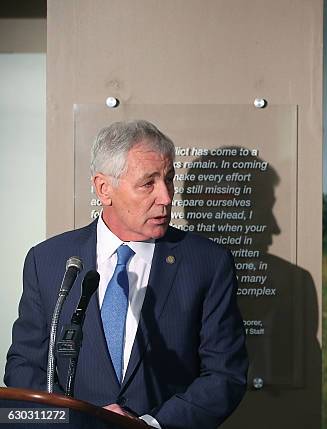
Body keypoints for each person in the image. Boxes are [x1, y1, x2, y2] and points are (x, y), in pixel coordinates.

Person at [5, 120, 248, 429]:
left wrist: (150, 425)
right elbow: (24, 366)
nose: (166, 196)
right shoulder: (48, 260)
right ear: (104, 189)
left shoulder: (207, 262)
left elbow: (225, 374)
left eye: (169, 179)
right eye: (149, 183)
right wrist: (77, 422)